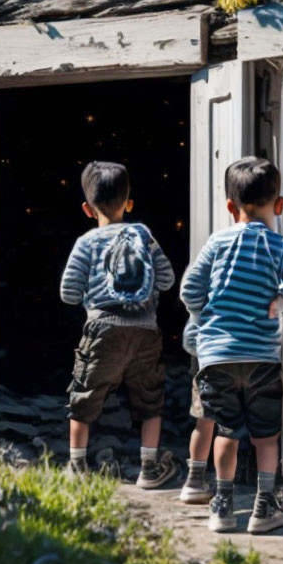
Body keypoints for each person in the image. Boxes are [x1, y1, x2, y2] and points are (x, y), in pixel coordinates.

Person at [180, 156, 283, 534]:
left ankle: (221, 505)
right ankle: (264, 506)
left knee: (227, 431)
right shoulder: (279, 247)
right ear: (280, 205)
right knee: (265, 437)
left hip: (216, 358)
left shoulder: (217, 242)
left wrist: (206, 317)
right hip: (262, 361)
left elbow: (189, 289)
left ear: (229, 206)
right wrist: (282, 301)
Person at [60, 161, 177, 489]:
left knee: (83, 395)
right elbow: (167, 279)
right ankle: (149, 471)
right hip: (145, 331)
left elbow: (68, 293)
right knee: (150, 400)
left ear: (87, 209)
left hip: (102, 328)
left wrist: (92, 298)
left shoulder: (86, 243)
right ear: (129, 204)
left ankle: (78, 467)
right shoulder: (145, 236)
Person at [179, 315, 216, 504]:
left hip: (207, 345)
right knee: (232, 424)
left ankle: (195, 480)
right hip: (244, 347)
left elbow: (190, 294)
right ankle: (227, 489)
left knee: (205, 419)